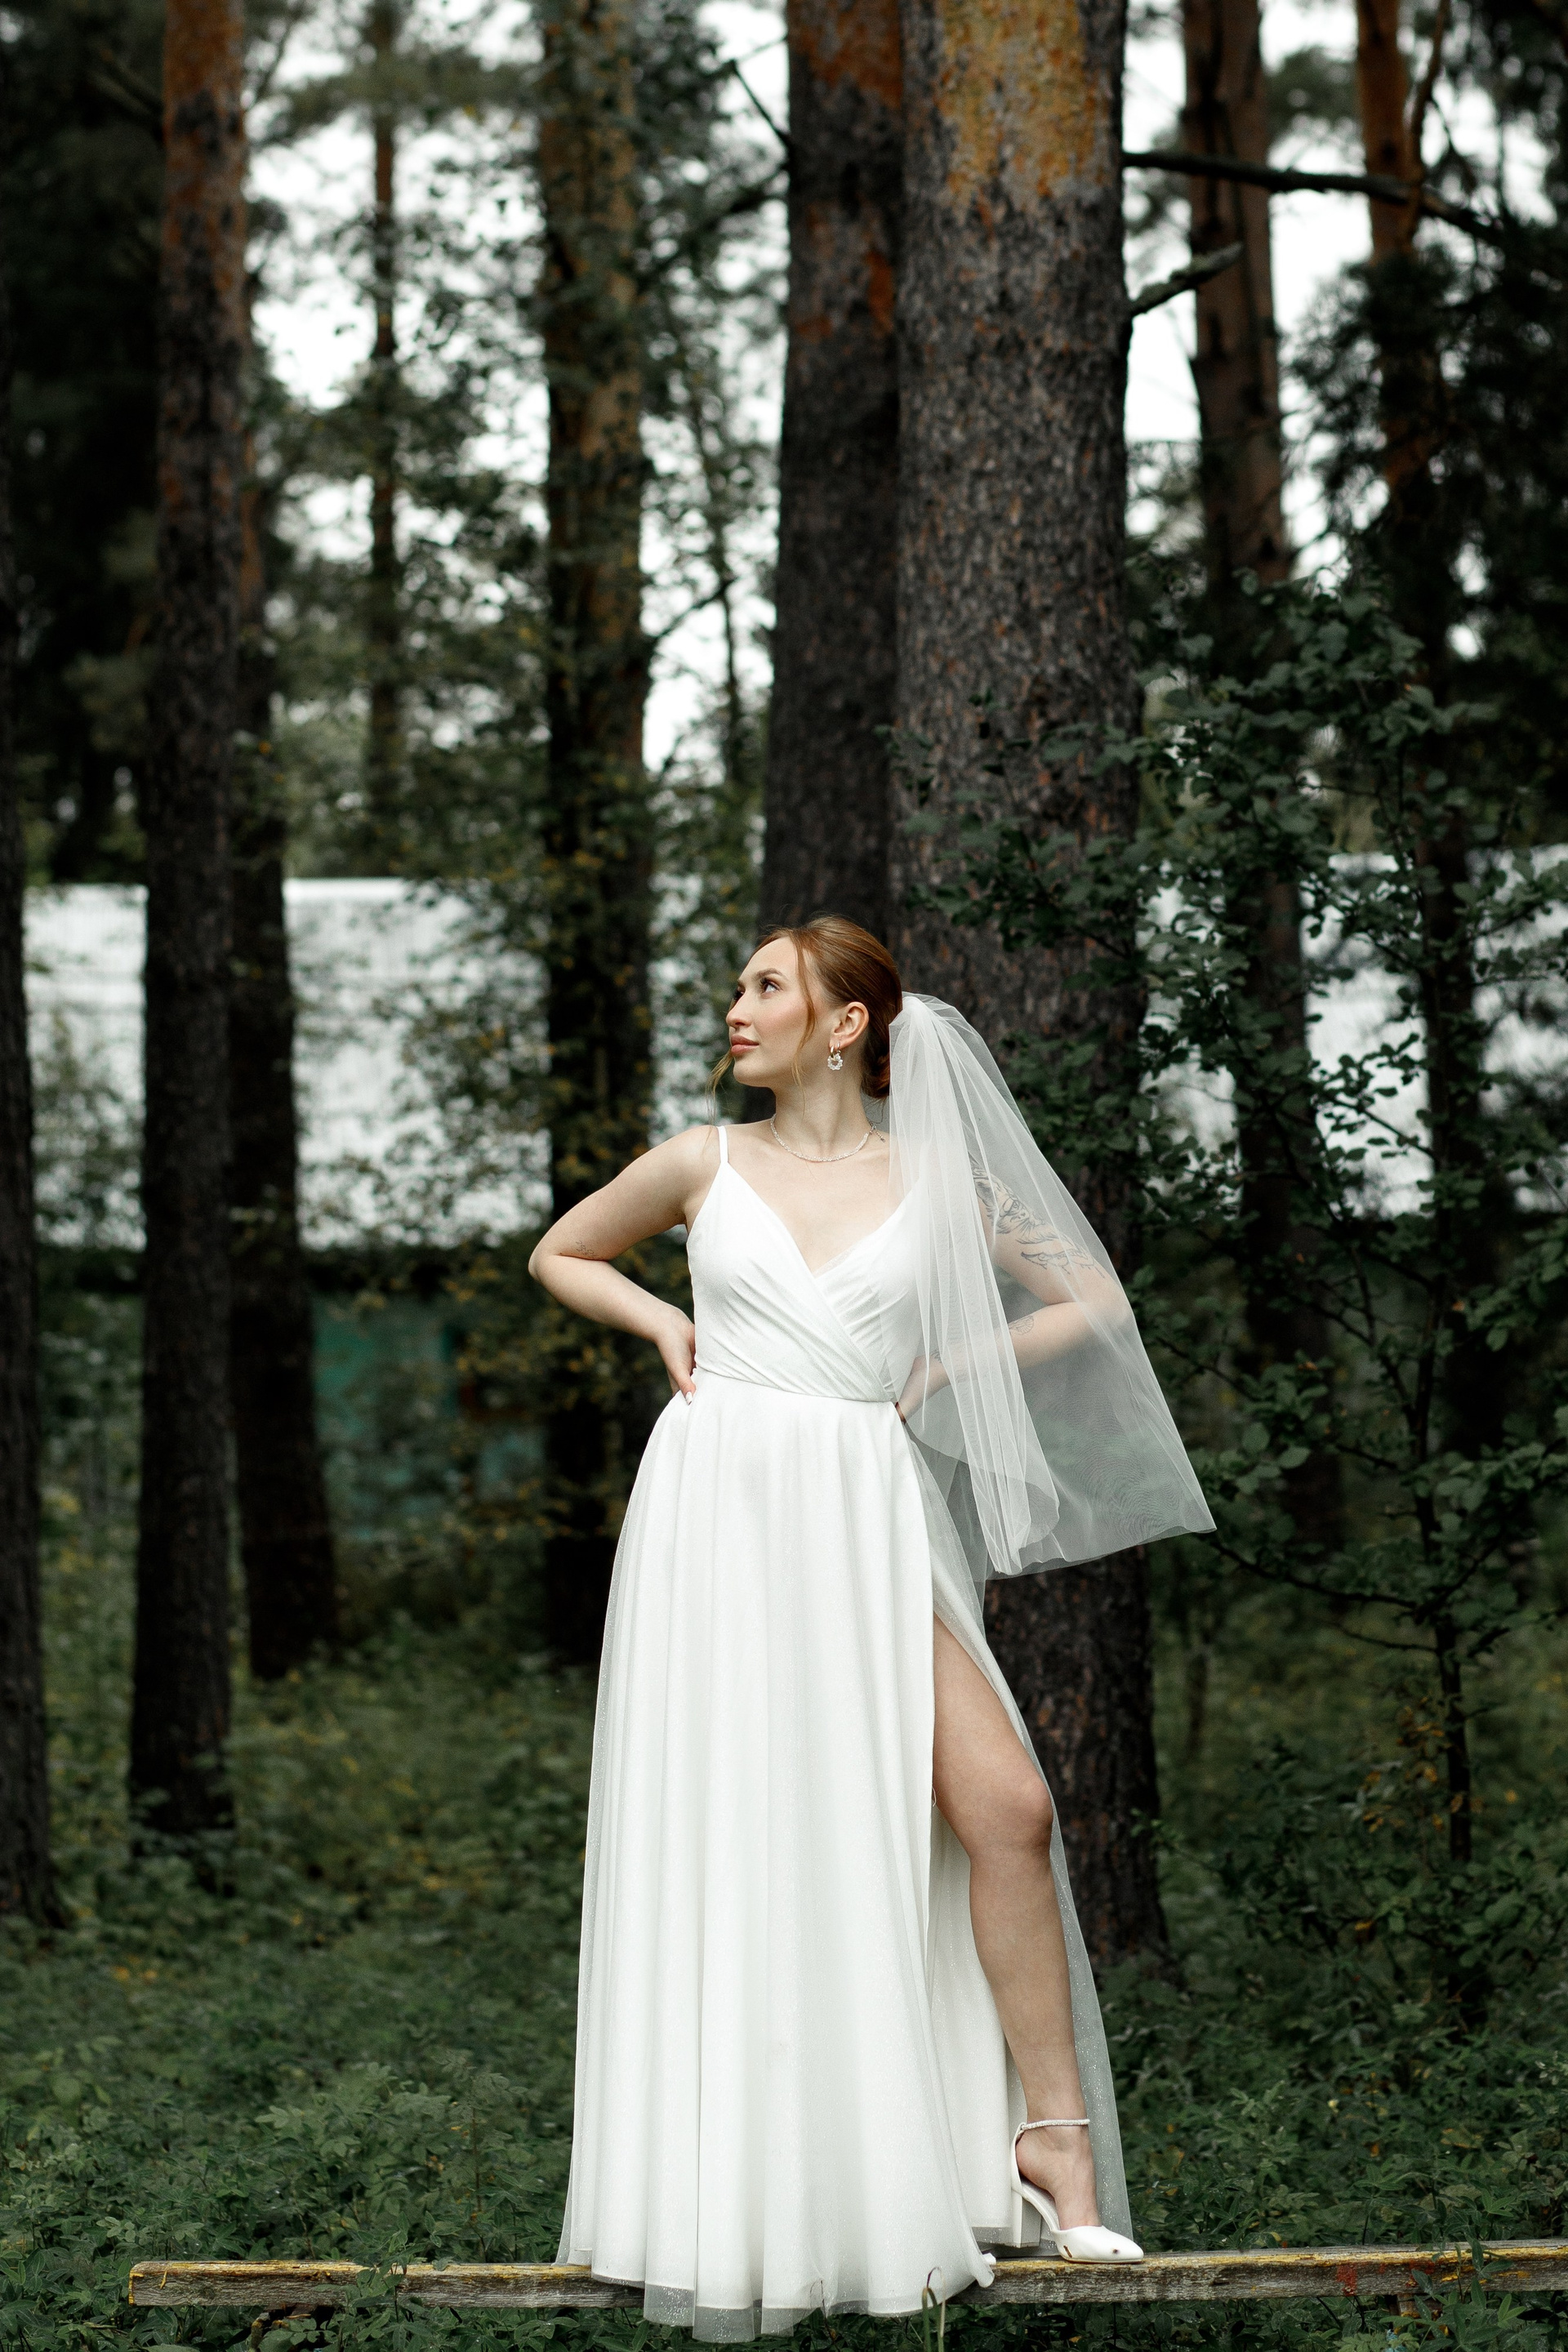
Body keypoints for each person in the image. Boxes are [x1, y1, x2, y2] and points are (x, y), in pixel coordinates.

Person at [530, 917, 1214, 2339]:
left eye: (767, 986)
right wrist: (659, 1323)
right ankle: (760, 2188)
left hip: (865, 1507)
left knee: (1007, 1807)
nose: (738, 1007)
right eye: (740, 987)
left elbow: (1093, 1297)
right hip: (721, 1509)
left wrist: (958, 1358)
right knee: (757, 1836)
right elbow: (562, 1252)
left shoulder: (940, 1183)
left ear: (846, 1024)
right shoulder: (702, 1162)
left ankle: (1052, 2142)